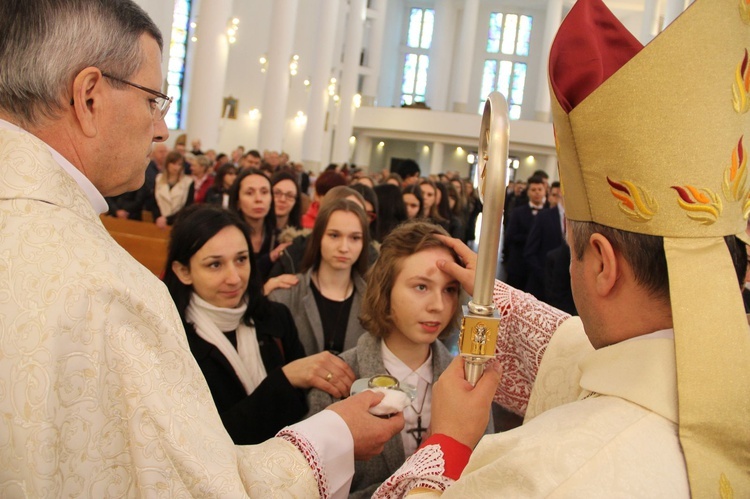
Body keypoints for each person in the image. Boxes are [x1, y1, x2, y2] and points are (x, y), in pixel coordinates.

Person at [0, 1, 404, 496]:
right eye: (153, 100)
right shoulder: (110, 291)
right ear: (88, 98)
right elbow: (200, 487)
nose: (162, 128)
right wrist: (337, 436)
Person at [374, 0, 749, 496]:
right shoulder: (727, 390)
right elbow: (586, 354)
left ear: (601, 263)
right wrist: (496, 301)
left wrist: (446, 444)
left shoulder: (543, 472)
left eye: (575, 253)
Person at [308, 221, 493, 498]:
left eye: (449, 290)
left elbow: (485, 473)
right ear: (386, 290)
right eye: (421, 287)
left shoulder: (471, 379)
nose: (437, 305)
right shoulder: (338, 383)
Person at [163, 205, 356, 444]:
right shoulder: (171, 342)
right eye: (215, 264)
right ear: (183, 271)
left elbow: (305, 408)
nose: (234, 278)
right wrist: (285, 379)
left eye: (241, 259)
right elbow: (207, 440)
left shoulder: (275, 317)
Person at [269, 198, 371, 355]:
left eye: (355, 238)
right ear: (318, 237)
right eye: (334, 235)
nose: (344, 248)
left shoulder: (373, 302)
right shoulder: (284, 296)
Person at [229, 167, 287, 282]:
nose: (258, 199)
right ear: (237, 202)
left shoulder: (280, 239)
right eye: (249, 193)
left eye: (264, 192)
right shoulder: (226, 238)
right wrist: (270, 258)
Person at [154, 149, 194, 227]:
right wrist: (159, 217)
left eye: (179, 164)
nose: (176, 167)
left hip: (178, 221)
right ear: (167, 164)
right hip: (159, 220)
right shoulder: (159, 179)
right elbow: (153, 200)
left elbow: (188, 205)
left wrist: (168, 219)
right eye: (173, 164)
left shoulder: (188, 182)